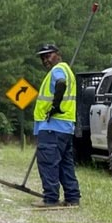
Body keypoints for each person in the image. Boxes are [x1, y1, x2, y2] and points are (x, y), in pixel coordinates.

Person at [33, 42, 81, 209]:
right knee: (64, 163)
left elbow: (60, 83)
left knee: (48, 162)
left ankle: (51, 199)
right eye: (43, 57)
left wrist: (55, 106)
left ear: (57, 54)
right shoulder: (68, 70)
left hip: (52, 126)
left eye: (48, 55)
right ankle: (72, 197)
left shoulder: (58, 70)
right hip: (65, 127)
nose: (46, 59)